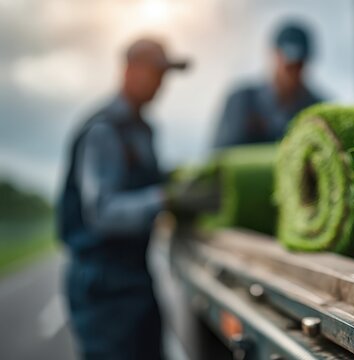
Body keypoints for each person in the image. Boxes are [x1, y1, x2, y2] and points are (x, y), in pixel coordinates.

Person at [57, 38, 188, 359]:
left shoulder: (141, 129)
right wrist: (165, 199)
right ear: (129, 71)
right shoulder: (104, 130)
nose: (161, 83)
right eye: (156, 73)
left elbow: (146, 182)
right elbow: (102, 212)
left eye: (165, 74)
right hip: (104, 285)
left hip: (135, 275)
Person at [212, 22, 322, 149]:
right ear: (275, 55)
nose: (293, 72)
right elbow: (221, 155)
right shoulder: (242, 100)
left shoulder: (318, 108)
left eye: (299, 65)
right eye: (289, 65)